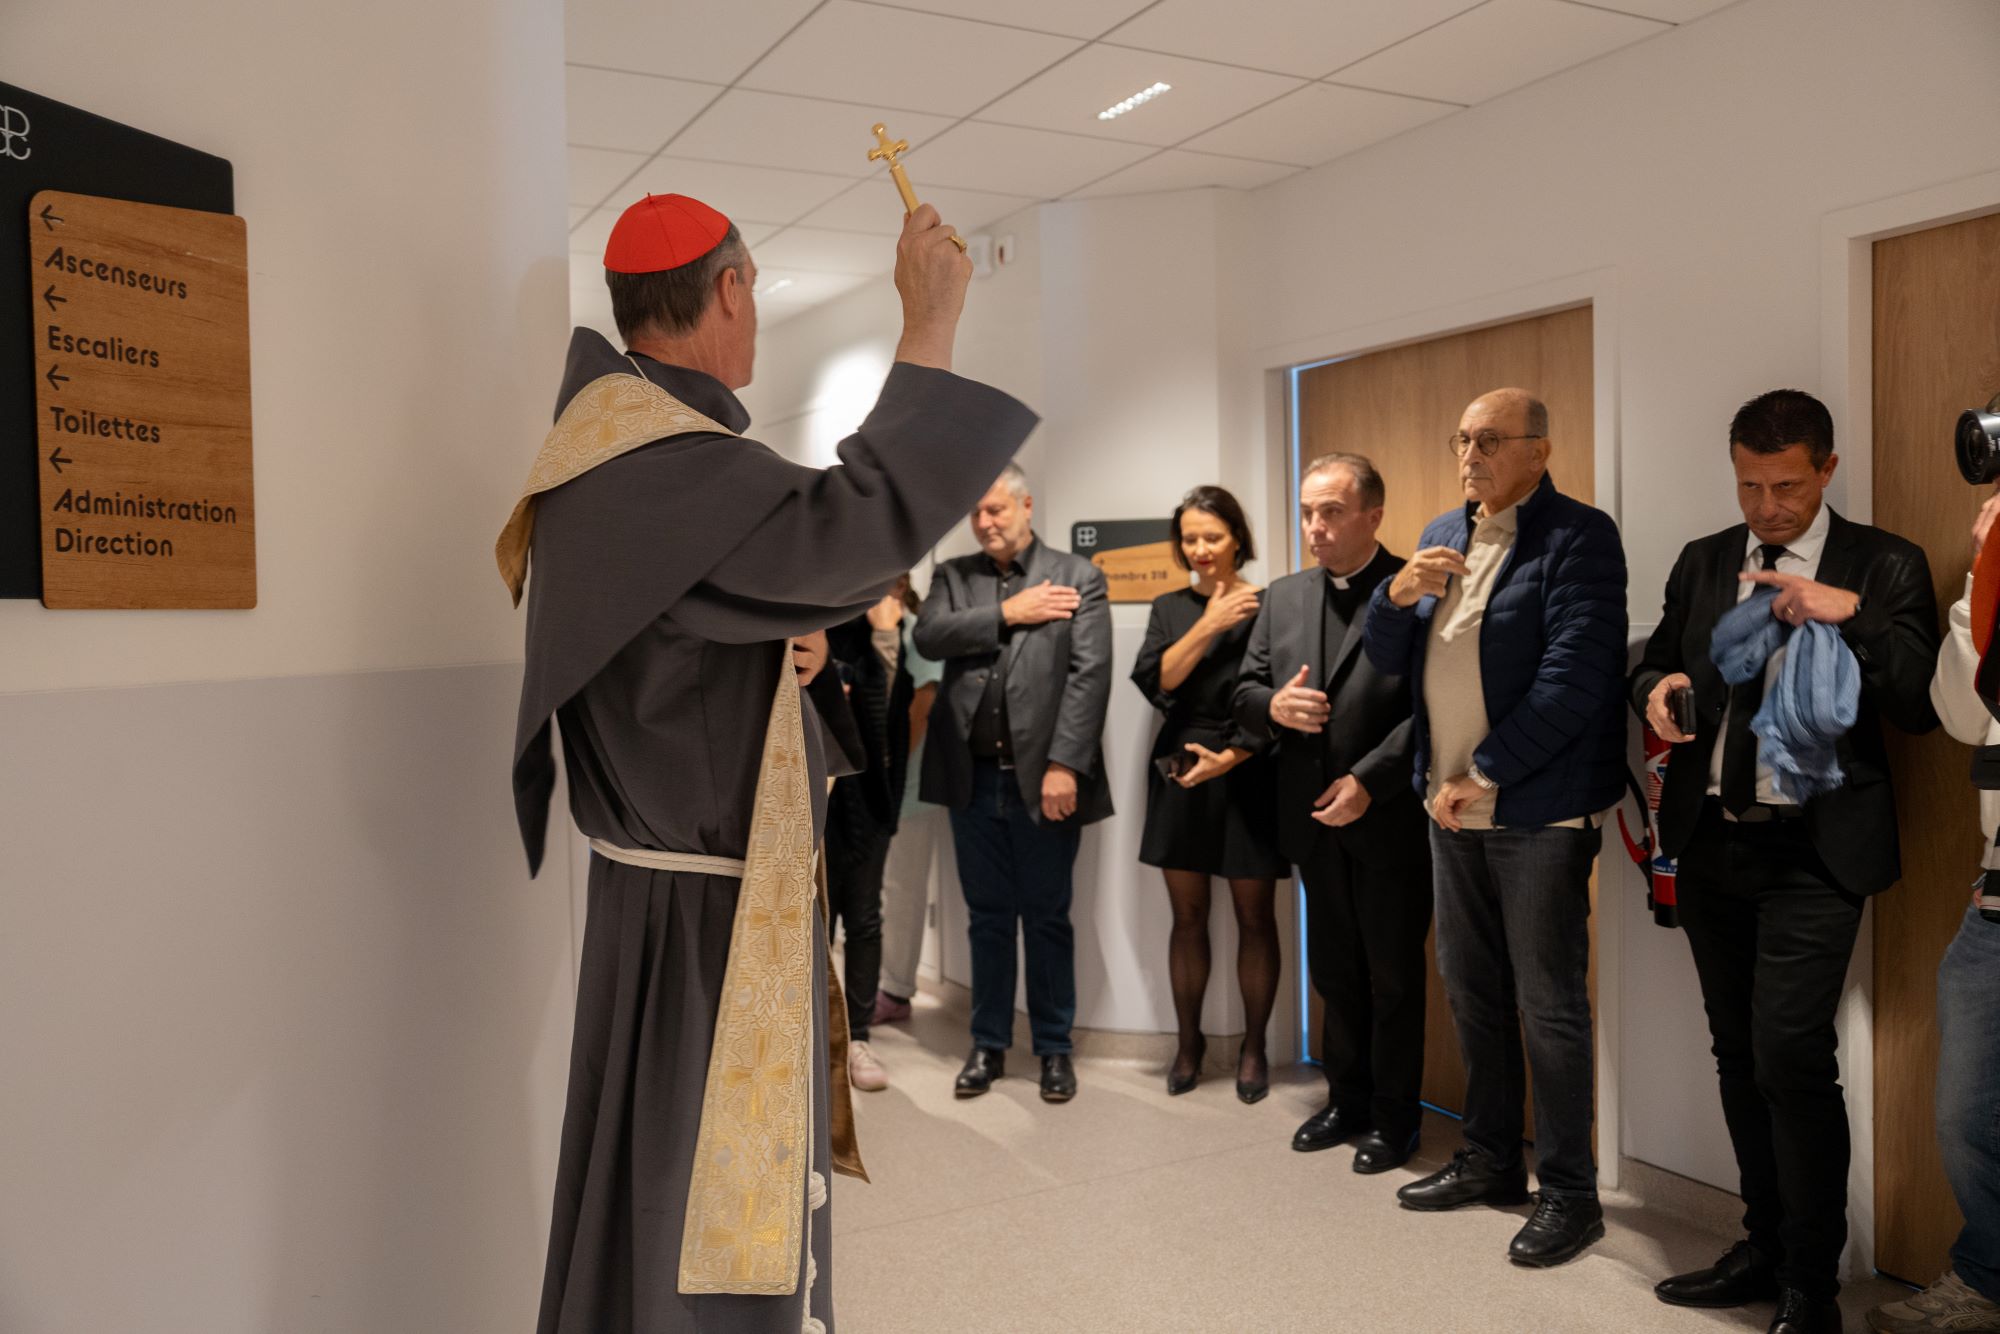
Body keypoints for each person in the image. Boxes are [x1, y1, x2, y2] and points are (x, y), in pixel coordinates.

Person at [502, 191, 1037, 1334]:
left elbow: (691, 616)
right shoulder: (657, 458)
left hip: (671, 896)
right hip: (703, 921)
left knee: (656, 1190)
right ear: (733, 289)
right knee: (699, 1217)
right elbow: (856, 531)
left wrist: (770, 635)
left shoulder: (607, 442)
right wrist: (928, 323)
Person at [1631, 389, 1941, 1334]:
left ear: (1829, 470)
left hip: (1816, 849)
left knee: (1790, 1056)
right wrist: (1657, 687)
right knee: (1736, 1055)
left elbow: (1921, 702)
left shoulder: (1883, 563)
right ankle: (1762, 1242)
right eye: (1750, 485)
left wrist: (1843, 614)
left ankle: (1812, 1278)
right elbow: (1653, 661)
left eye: (1788, 486)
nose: (1767, 507)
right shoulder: (1704, 559)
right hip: (1713, 836)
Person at [1363, 389, 1628, 1267]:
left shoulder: (1579, 538)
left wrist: (1485, 772)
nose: (1470, 455)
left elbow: (1575, 678)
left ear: (1538, 453)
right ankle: (1487, 1161)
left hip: (1533, 810)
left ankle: (1570, 1194)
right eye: (1462, 440)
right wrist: (1396, 595)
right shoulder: (1445, 529)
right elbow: (1386, 662)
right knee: (1471, 989)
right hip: (1447, 807)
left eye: (1488, 441)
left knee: (1548, 1005)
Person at [1232, 454, 1430, 1170]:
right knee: (1336, 972)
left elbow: (1431, 707)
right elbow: (1245, 695)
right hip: (1310, 821)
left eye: (1332, 512)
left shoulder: (1416, 591)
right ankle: (1345, 1100)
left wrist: (1371, 782)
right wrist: (1274, 707)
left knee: (1396, 976)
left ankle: (1396, 1118)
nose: (1315, 527)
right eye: (1308, 512)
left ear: (1373, 515)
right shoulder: (1282, 597)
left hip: (1389, 818)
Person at [914, 463, 1113, 1104]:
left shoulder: (1078, 576)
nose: (985, 522)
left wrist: (1063, 765)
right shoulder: (953, 577)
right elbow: (931, 634)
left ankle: (1054, 1048)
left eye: (996, 510)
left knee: (1049, 918)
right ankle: (987, 1045)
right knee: (987, 920)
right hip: (972, 782)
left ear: (1026, 505)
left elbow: (1088, 677)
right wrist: (1008, 611)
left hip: (1042, 783)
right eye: (976, 513)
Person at [1868, 486, 2000, 1333]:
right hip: (1994, 901)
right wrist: (1983, 582)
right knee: (1966, 1114)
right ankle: (1986, 1281)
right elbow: (1961, 714)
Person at [1130, 486, 1288, 1102]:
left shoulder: (1273, 604)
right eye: (1190, 538)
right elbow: (1160, 678)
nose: (1199, 549)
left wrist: (1237, 753)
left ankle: (1254, 1048)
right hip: (1181, 767)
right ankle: (1189, 1044)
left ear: (1237, 541)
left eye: (1212, 537)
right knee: (1187, 918)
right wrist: (1211, 622)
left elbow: (1276, 691)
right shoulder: (1170, 606)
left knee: (1255, 917)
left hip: (1248, 761)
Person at [822, 577, 918, 1093]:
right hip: (809, 794)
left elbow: (889, 720)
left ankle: (857, 1037)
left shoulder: (882, 624)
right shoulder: (804, 612)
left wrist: (886, 640)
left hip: (868, 798)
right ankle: (814, 1040)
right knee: (814, 924)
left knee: (862, 918)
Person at [872, 580, 946, 1026]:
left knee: (902, 893)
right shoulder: (872, 631)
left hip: (909, 790)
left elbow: (919, 711)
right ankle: (879, 984)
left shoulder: (917, 634)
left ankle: (897, 991)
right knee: (878, 894)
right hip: (880, 788)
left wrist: (890, 774)